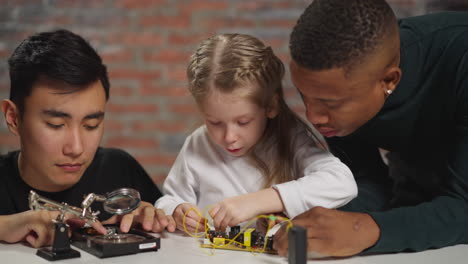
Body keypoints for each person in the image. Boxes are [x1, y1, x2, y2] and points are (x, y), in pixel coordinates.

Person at [273, 0, 468, 257]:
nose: (313, 117)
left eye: (330, 103)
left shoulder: (460, 58)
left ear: (389, 80)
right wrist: (303, 213)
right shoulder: (349, 82)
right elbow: (369, 186)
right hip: (421, 202)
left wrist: (362, 228)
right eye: (303, 95)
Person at [155, 33, 357, 233]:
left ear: (270, 106)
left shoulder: (290, 138)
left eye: (243, 122)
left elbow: (342, 183)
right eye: (214, 122)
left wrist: (260, 201)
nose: (229, 137)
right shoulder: (198, 144)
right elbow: (169, 200)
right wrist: (175, 211)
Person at [0, 29, 175, 248]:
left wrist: (154, 220)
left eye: (91, 125)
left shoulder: (119, 168)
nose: (76, 148)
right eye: (56, 125)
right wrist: (6, 226)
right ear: (14, 118)